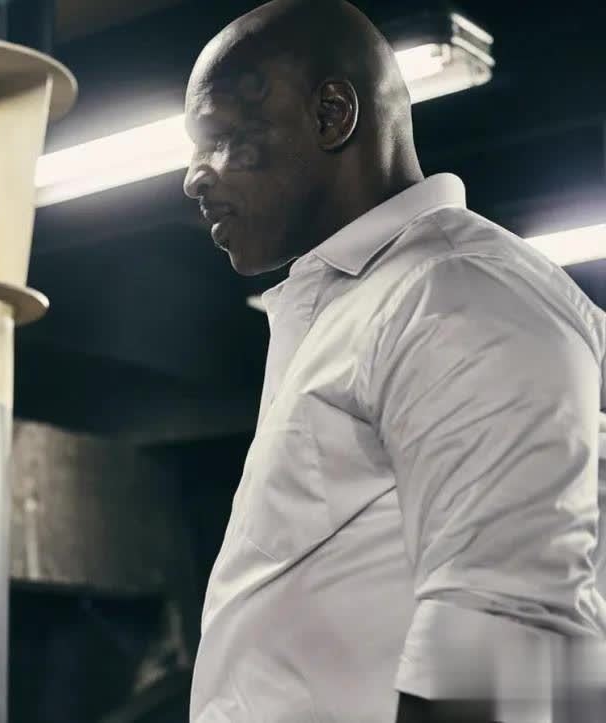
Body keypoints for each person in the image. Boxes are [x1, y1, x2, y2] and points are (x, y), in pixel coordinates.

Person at [182, 1, 606, 721]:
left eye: (220, 137)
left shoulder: (460, 294)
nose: (193, 179)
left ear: (331, 115)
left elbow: (510, 652)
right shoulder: (364, 308)